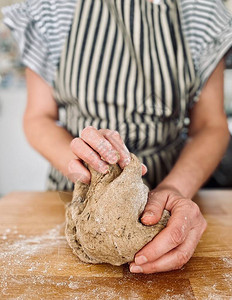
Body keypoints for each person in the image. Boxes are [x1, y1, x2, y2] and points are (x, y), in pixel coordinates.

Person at [2, 0, 232, 274]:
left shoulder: (201, 10)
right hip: (76, 187)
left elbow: (210, 125)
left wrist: (176, 190)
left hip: (171, 190)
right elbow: (38, 117)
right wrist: (77, 162)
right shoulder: (52, 7)